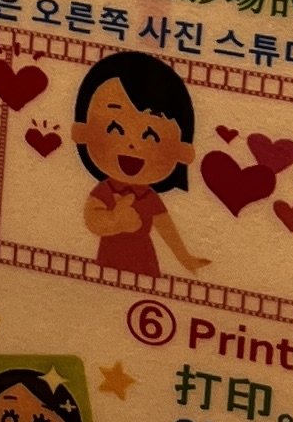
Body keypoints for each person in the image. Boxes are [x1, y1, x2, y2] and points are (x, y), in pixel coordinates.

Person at [68, 51, 207, 277]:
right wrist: (114, 221)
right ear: (83, 132)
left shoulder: (148, 197)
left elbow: (166, 229)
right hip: (109, 258)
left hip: (144, 259)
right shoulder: (106, 190)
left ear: (182, 152)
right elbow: (93, 219)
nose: (132, 145)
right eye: (115, 129)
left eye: (151, 136)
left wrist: (185, 258)